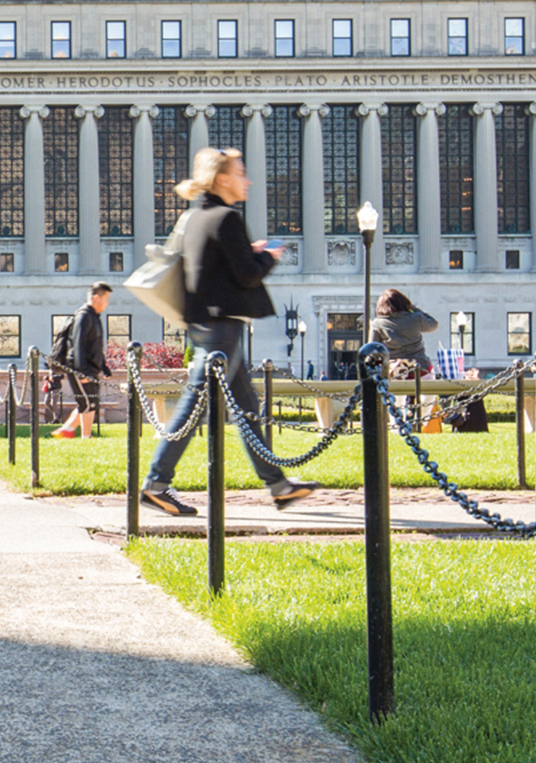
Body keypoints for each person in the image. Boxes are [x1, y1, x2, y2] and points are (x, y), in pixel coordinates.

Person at [140, 148, 323, 515]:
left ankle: (279, 485)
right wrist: (268, 255)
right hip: (223, 329)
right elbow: (247, 275)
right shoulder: (227, 218)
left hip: (205, 325)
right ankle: (155, 484)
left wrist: (248, 253)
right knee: (193, 407)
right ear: (222, 178)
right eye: (241, 172)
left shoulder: (195, 218)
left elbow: (216, 268)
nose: (247, 179)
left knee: (246, 407)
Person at [51, 282, 115, 439]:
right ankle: (85, 437)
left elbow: (95, 345)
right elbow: (78, 345)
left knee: (90, 402)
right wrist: (82, 373)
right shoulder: (84, 317)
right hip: (79, 368)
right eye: (106, 299)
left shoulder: (94, 317)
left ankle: (67, 430)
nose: (107, 303)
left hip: (90, 368)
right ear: (96, 298)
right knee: (87, 404)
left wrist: (104, 367)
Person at [368, 290, 439, 380]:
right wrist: (413, 308)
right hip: (421, 369)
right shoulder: (416, 318)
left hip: (394, 372)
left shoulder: (377, 324)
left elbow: (372, 350)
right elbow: (434, 324)